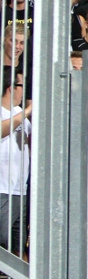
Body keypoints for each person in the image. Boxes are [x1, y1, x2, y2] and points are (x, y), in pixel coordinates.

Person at [0, 70, 30, 255]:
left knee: (18, 248)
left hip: (21, 190)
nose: (24, 91)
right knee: (3, 243)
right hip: (2, 189)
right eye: (21, 86)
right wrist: (28, 111)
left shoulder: (19, 112)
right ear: (12, 88)